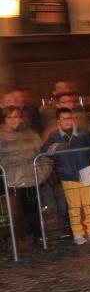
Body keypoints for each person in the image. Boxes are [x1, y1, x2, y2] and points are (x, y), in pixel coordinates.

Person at [41, 108, 90, 245]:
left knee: (89, 204)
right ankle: (77, 233)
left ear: (73, 119)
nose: (67, 121)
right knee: (74, 207)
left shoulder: (82, 132)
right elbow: (44, 150)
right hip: (68, 176)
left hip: (86, 173)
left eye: (69, 118)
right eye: (63, 118)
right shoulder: (54, 136)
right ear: (58, 121)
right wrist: (56, 147)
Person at [0, 106, 48, 248]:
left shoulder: (30, 132)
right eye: (9, 117)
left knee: (35, 211)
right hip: (12, 180)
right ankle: (18, 241)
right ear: (4, 119)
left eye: (16, 116)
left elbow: (43, 152)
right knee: (15, 213)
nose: (14, 120)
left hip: (32, 178)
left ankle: (39, 238)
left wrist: (43, 172)